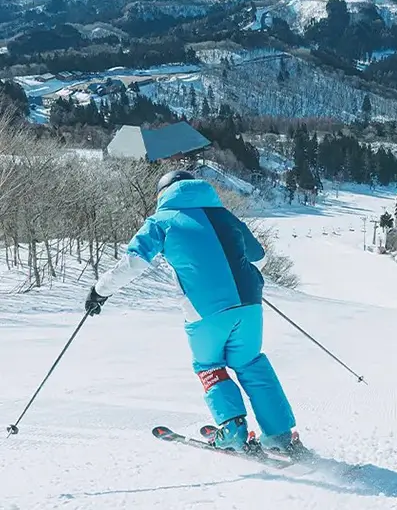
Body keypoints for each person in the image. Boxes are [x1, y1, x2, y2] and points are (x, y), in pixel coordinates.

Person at [84, 169, 304, 456]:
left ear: (163, 194)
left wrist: (100, 291)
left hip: (206, 311)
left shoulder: (161, 221)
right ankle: (279, 435)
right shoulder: (225, 216)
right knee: (251, 363)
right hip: (250, 303)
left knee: (209, 364)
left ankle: (234, 430)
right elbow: (259, 258)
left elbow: (134, 263)